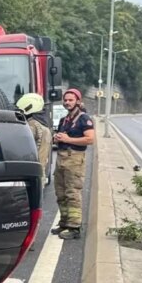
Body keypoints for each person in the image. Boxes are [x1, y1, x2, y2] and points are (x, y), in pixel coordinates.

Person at [52, 88, 95, 239]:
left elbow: (90, 139)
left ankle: (74, 227)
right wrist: (57, 138)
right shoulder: (64, 120)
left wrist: (68, 139)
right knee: (60, 192)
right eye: (65, 100)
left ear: (78, 101)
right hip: (61, 158)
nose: (67, 102)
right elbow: (61, 138)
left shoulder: (84, 119)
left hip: (75, 159)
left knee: (73, 193)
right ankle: (64, 222)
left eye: (70, 100)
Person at [15, 93, 52, 181]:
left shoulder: (32, 125)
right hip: (39, 170)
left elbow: (21, 146)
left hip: (30, 171)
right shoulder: (44, 125)